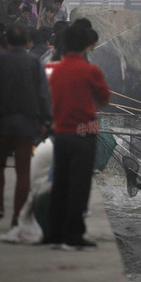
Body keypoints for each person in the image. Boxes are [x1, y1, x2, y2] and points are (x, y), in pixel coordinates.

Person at [0, 25, 52, 227]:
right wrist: (45, 120)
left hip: (1, 122)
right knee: (23, 170)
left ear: (7, 42)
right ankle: (17, 215)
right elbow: (44, 94)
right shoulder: (35, 62)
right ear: (27, 43)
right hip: (27, 124)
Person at [47, 21, 110, 250]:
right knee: (80, 185)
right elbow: (104, 98)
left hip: (61, 132)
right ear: (85, 45)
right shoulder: (90, 71)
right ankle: (74, 234)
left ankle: (54, 232)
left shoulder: (55, 71)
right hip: (84, 133)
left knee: (60, 183)